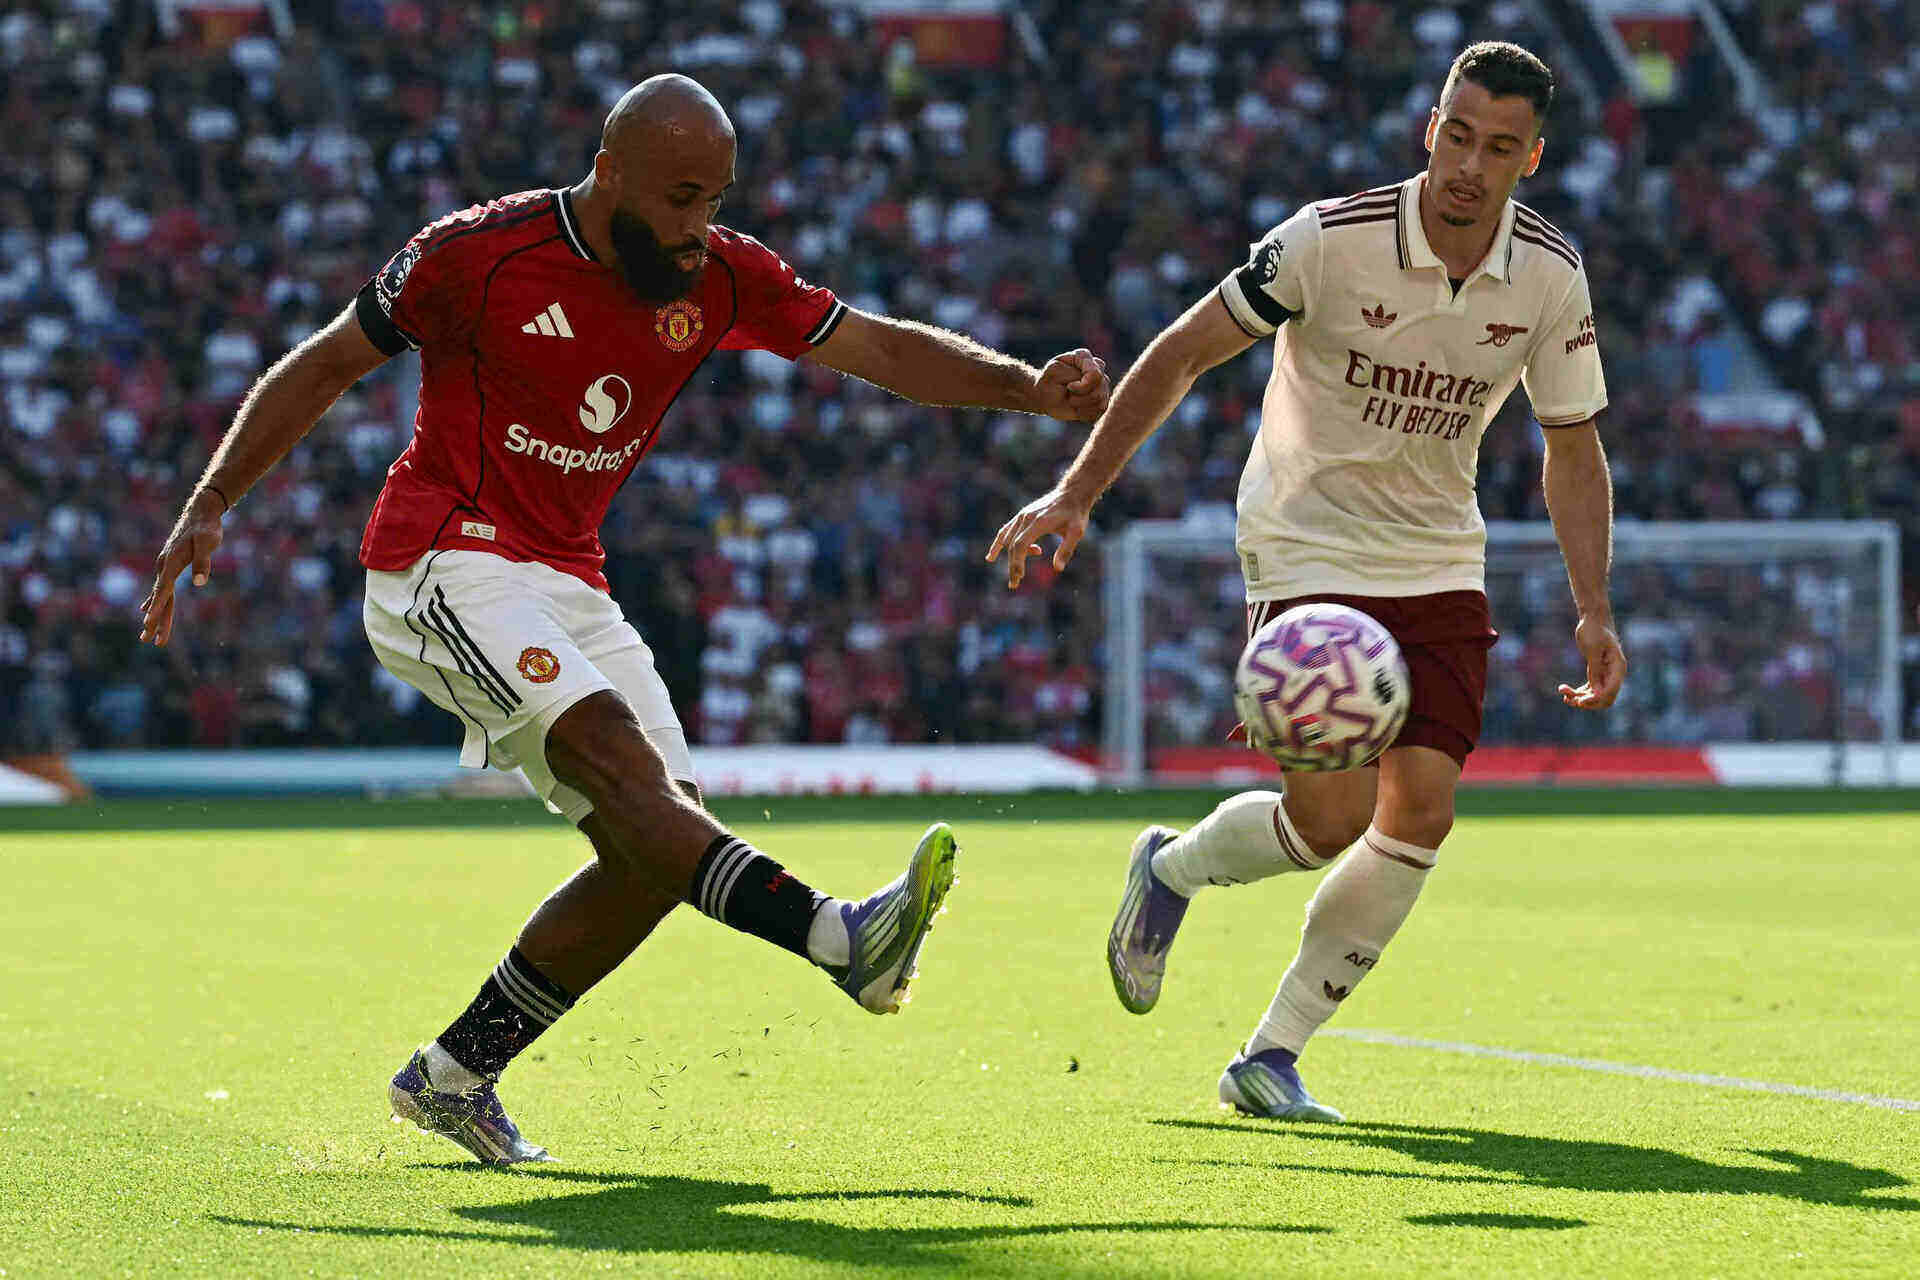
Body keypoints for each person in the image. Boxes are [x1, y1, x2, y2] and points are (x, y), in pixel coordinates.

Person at [139, 74, 1110, 1165]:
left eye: (716, 199)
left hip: (568, 576)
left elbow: (879, 349)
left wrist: (1028, 388)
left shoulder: (726, 274)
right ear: (610, 174)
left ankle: (453, 1074)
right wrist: (214, 499)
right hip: (442, 560)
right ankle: (842, 936)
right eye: (681, 198)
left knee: (660, 847)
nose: (699, 226)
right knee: (624, 773)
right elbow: (327, 360)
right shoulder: (476, 253)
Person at [988, 42, 1623, 1121]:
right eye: (1458, 135)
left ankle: (1270, 1056)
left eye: (1499, 148)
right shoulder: (1329, 239)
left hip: (1437, 553)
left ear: (1532, 158)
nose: (1469, 165)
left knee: (1422, 813)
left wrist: (1593, 606)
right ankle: (1173, 870)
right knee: (1330, 818)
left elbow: (1572, 443)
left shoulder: (1551, 277)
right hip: (1305, 538)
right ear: (1432, 128)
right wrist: (1077, 492)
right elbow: (1182, 351)